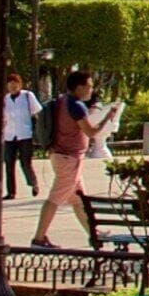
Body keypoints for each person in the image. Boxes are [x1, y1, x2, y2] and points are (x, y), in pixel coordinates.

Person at [30, 67, 98, 245]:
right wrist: (108, 118)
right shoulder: (76, 105)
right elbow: (90, 132)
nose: (91, 89)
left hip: (62, 156)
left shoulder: (62, 101)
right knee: (54, 199)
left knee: (79, 200)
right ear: (79, 87)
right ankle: (39, 238)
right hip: (70, 158)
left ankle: (93, 235)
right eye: (89, 86)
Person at [0, 69, 41, 198]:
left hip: (24, 134)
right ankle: (11, 191)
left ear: (20, 85)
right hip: (10, 135)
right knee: (9, 164)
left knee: (25, 163)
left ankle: (33, 183)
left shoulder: (27, 96)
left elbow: (37, 113)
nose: (12, 86)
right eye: (10, 84)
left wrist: (40, 130)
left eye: (15, 84)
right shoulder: (5, 99)